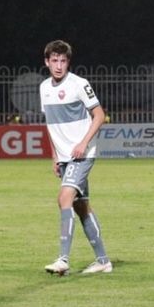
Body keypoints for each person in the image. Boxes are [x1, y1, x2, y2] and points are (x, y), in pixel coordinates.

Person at [40, 40, 113, 276]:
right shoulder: (44, 88)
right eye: (54, 60)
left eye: (63, 61)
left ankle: (63, 259)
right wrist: (54, 157)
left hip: (82, 155)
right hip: (64, 158)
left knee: (64, 198)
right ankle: (103, 261)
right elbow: (51, 125)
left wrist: (83, 143)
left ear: (68, 62)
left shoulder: (79, 84)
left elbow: (100, 115)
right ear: (47, 62)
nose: (59, 65)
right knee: (82, 207)